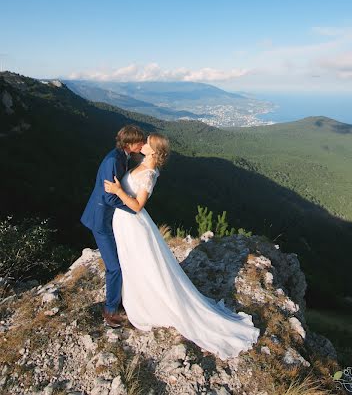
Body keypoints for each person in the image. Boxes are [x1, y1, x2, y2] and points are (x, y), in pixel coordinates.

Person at [104, 132, 260, 360]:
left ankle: (150, 304)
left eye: (147, 143)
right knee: (132, 262)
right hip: (125, 223)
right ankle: (137, 299)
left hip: (133, 223)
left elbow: (137, 206)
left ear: (153, 150)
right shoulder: (142, 164)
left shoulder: (148, 174)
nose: (143, 143)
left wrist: (118, 191)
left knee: (143, 263)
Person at [81, 124, 146, 328]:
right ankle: (110, 311)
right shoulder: (114, 161)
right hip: (101, 218)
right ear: (130, 143)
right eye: (140, 142)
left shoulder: (119, 156)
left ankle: (119, 300)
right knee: (114, 267)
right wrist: (134, 208)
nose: (143, 144)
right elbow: (110, 198)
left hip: (105, 216)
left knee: (120, 260)